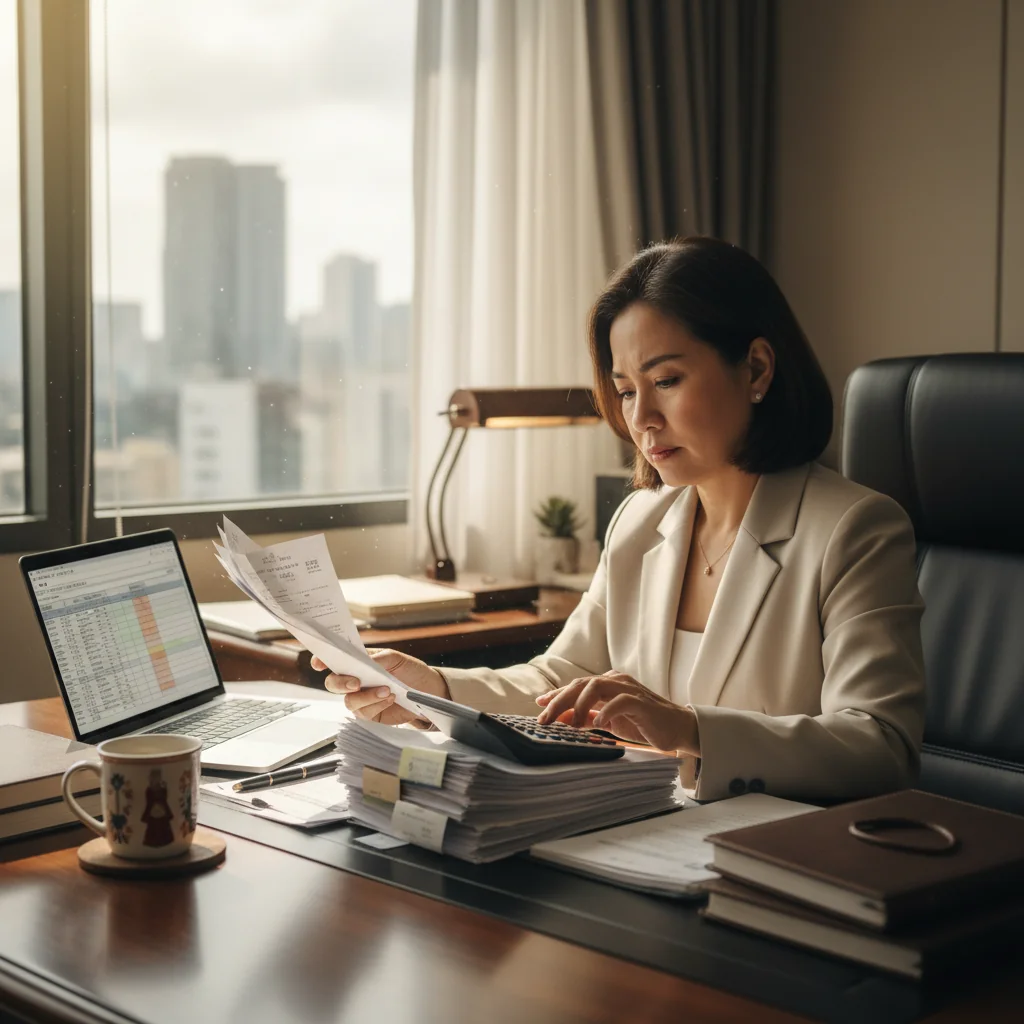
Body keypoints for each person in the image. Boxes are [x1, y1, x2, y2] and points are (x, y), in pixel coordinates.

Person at [314, 237, 925, 802]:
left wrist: (689, 729)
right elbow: (566, 677)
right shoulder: (641, 520)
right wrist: (434, 690)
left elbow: (880, 748)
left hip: (770, 852)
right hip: (641, 834)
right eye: (627, 390)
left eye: (667, 380)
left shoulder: (854, 529)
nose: (641, 419)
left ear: (757, 370)